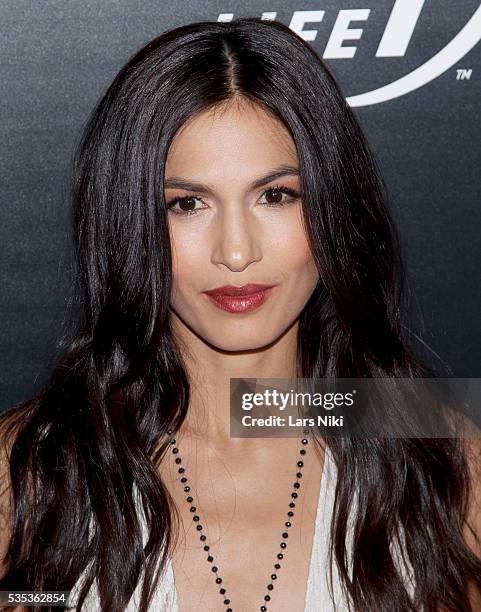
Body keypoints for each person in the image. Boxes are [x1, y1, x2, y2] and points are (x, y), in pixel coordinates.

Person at [1, 16, 481, 612]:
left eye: (276, 195)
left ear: (333, 206)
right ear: (129, 225)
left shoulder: (441, 450)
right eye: (187, 203)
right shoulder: (36, 464)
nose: (236, 251)